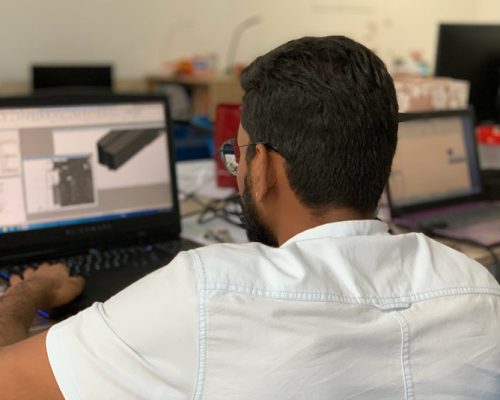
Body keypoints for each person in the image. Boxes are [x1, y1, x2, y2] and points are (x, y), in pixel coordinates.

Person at [1, 35, 499, 399]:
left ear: (262, 167)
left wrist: (31, 292)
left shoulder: (205, 295)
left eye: (237, 155)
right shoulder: (479, 291)